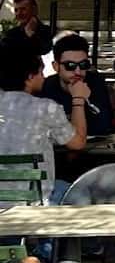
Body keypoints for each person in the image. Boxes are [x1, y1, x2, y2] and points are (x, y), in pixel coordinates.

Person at [0, 40, 86, 205]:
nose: (44, 77)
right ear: (29, 77)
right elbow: (78, 143)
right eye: (40, 72)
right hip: (36, 200)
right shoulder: (45, 108)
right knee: (82, 192)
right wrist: (78, 99)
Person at [42, 33, 113, 138]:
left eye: (83, 65)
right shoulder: (46, 87)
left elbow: (103, 127)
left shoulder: (95, 82)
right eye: (70, 65)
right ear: (56, 66)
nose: (78, 72)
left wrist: (83, 100)